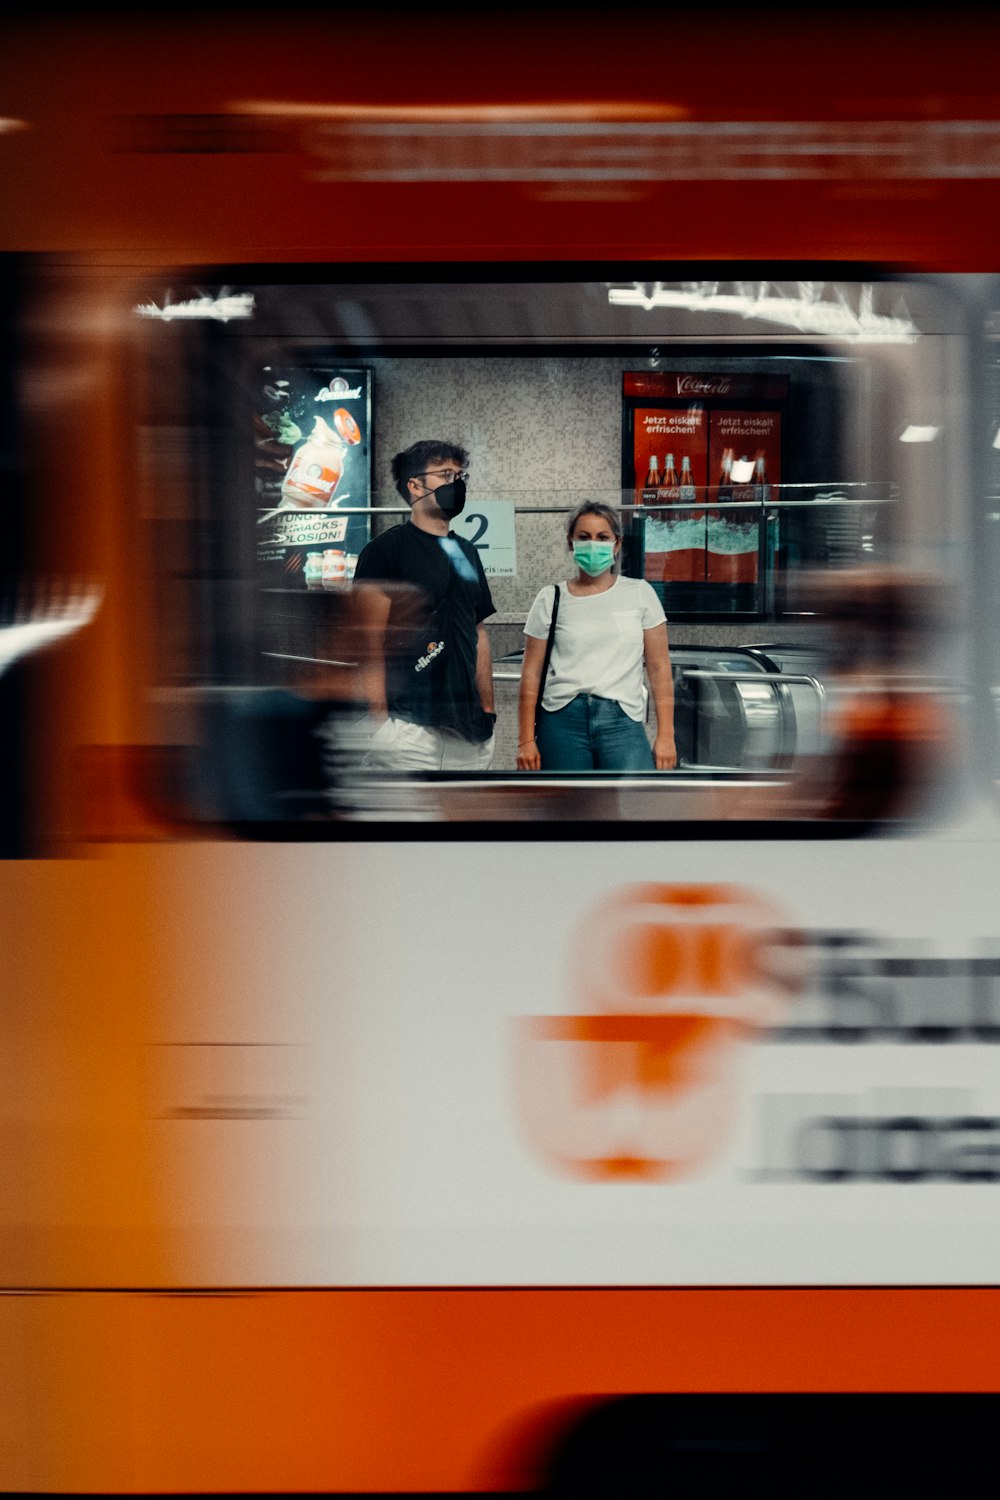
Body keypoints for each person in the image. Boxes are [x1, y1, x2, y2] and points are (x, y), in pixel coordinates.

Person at [352, 439, 496, 771]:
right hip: (409, 729)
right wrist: (382, 728)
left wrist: (488, 711)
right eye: (446, 475)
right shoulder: (384, 552)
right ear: (415, 485)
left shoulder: (466, 552)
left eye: (460, 476)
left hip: (470, 732)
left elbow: (478, 632)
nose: (456, 484)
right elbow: (367, 643)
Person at [517, 503, 677, 772]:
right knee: (566, 809)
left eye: (602, 537)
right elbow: (531, 673)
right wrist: (525, 741)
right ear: (571, 543)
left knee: (632, 807)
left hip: (622, 720)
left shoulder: (640, 593)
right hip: (562, 719)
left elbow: (660, 669)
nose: (593, 545)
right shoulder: (551, 598)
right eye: (584, 537)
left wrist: (666, 735)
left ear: (617, 544)